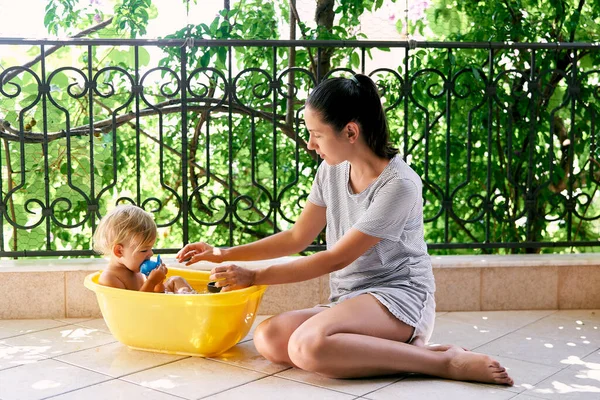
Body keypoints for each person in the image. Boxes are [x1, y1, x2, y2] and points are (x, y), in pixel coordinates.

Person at [176, 74, 513, 385]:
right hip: (351, 300)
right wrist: (222, 253)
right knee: (271, 339)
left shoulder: (399, 185)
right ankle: (372, 348)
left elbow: (335, 258)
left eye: (317, 134)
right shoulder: (331, 170)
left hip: (399, 298)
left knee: (307, 347)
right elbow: (297, 237)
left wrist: (254, 276)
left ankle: (442, 361)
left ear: (351, 132)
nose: (310, 144)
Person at [94, 204, 195, 294]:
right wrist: (151, 281)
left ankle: (191, 302)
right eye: (144, 250)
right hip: (135, 313)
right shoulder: (110, 278)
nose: (151, 253)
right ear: (119, 251)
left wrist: (158, 283)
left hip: (149, 310)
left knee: (176, 280)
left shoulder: (135, 269)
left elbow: (155, 296)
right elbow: (133, 309)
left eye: (150, 248)